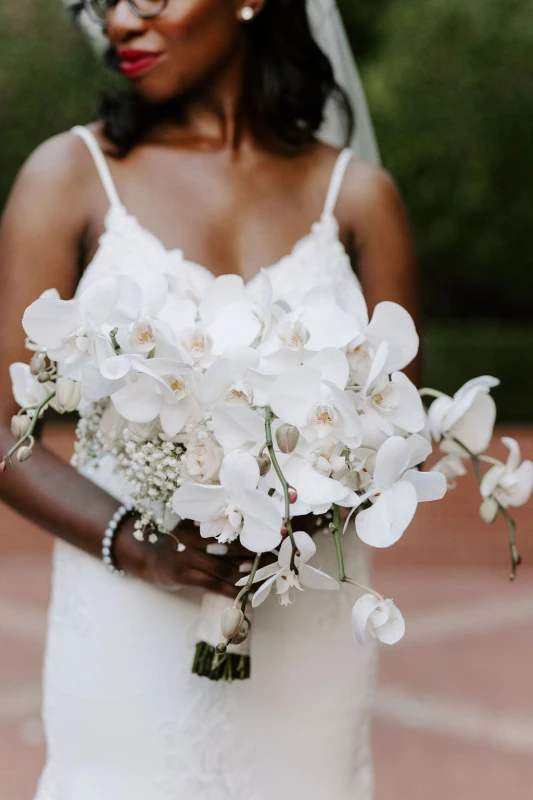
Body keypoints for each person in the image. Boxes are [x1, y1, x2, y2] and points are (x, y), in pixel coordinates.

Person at [0, 0, 420, 797]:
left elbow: (399, 431)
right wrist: (140, 546)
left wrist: (295, 513)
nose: (121, 21)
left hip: (306, 626)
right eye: (106, 1)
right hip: (124, 625)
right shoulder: (69, 176)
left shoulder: (360, 197)